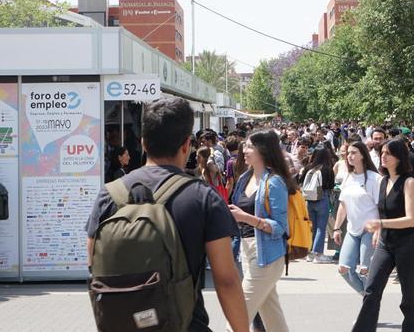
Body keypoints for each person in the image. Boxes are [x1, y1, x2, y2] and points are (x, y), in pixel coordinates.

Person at [85, 98, 249, 332]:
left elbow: (93, 259)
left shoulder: (110, 194)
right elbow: (226, 280)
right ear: (186, 145)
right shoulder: (203, 197)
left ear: (143, 143)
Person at [227, 130, 297, 332]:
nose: (244, 150)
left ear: (263, 150)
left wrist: (247, 218)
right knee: (272, 314)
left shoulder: (274, 182)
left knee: (237, 315)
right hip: (247, 251)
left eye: (249, 146)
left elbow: (280, 227)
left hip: (266, 255)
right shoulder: (244, 178)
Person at [352, 139, 414, 332]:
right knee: (372, 290)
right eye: (381, 152)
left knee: (409, 296)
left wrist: (380, 224)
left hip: (408, 243)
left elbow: (411, 219)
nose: (382, 156)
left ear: (399, 157)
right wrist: (379, 230)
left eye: (388, 153)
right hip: (386, 243)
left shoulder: (408, 182)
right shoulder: (383, 181)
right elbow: (383, 211)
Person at [332, 140, 381, 294]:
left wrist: (379, 230)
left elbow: (382, 207)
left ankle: (369, 307)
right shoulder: (348, 177)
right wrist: (337, 227)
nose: (349, 156)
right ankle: (368, 299)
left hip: (370, 230)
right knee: (344, 268)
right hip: (352, 230)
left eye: (354, 153)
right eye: (348, 153)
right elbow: (343, 205)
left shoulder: (375, 179)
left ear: (363, 156)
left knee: (365, 270)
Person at [299, 147, 336, 263]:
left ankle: (309, 252)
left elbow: (300, 181)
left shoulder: (308, 168)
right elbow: (330, 186)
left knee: (312, 227)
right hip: (322, 197)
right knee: (321, 227)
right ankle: (318, 254)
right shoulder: (327, 169)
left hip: (309, 199)